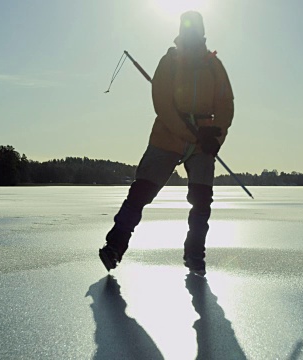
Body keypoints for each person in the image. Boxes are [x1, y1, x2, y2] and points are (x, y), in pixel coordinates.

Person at [99, 11, 234, 276]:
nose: (192, 35)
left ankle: (195, 254)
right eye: (188, 29)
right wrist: (193, 135)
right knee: (141, 192)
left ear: (203, 33)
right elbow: (163, 104)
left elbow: (226, 104)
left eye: (196, 30)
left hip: (203, 143)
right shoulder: (169, 61)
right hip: (168, 136)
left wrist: (215, 138)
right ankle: (114, 245)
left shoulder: (214, 66)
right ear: (181, 32)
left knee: (202, 200)